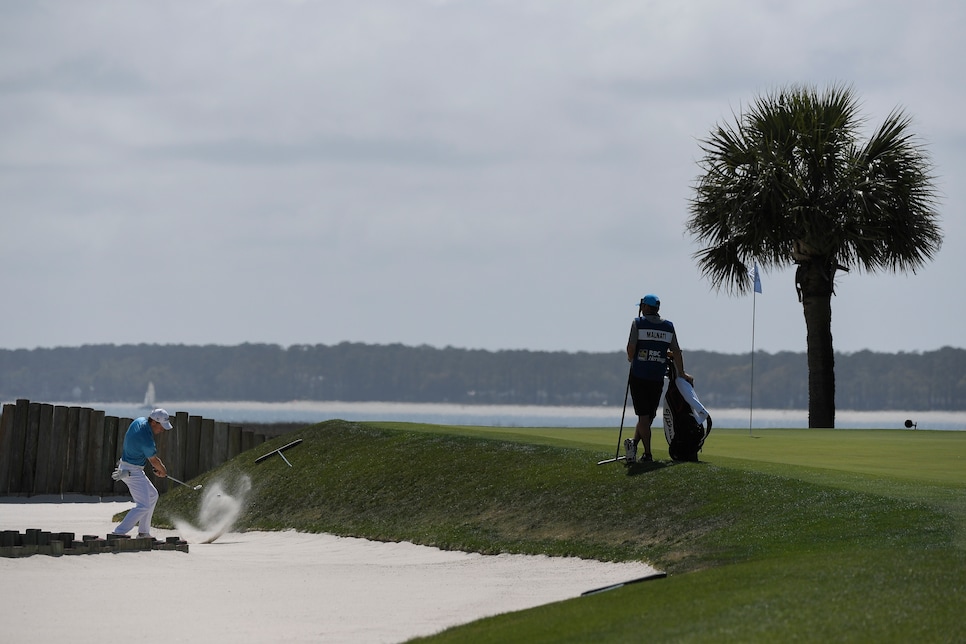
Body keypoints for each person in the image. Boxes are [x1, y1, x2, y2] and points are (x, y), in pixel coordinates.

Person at [624, 294, 691, 463]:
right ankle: (634, 445)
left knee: (645, 416)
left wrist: (631, 358)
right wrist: (681, 372)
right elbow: (676, 351)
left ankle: (646, 454)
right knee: (648, 415)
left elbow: (631, 348)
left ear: (645, 307)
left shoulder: (637, 323)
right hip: (657, 376)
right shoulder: (668, 326)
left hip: (639, 375)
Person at [111, 408, 172, 538]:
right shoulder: (147, 440)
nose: (162, 430)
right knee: (144, 505)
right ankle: (118, 533)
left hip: (129, 467)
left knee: (153, 495)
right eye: (162, 426)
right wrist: (163, 471)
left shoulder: (139, 421)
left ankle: (144, 532)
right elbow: (154, 461)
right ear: (154, 422)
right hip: (131, 471)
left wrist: (158, 468)